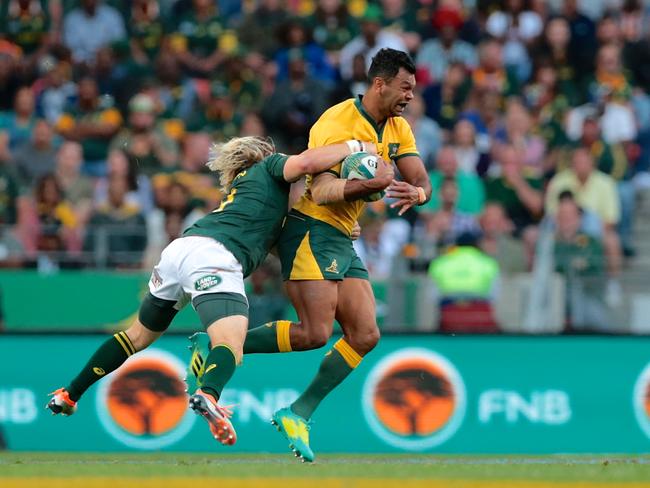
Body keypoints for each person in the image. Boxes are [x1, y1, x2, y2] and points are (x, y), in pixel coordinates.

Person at [47, 135, 381, 450]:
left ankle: (69, 393)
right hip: (215, 258)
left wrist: (334, 230)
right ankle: (208, 394)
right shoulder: (269, 166)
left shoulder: (250, 194)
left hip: (180, 251)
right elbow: (307, 163)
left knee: (136, 337)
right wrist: (355, 144)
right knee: (229, 344)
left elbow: (283, 243)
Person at [203, 48, 431, 462]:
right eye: (405, 87)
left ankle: (298, 412)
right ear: (379, 83)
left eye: (412, 89)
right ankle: (216, 343)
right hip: (310, 229)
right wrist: (370, 184)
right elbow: (323, 192)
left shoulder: (398, 128)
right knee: (314, 333)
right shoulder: (336, 122)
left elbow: (420, 179)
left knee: (365, 334)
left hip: (342, 236)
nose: (410, 96)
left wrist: (417, 192)